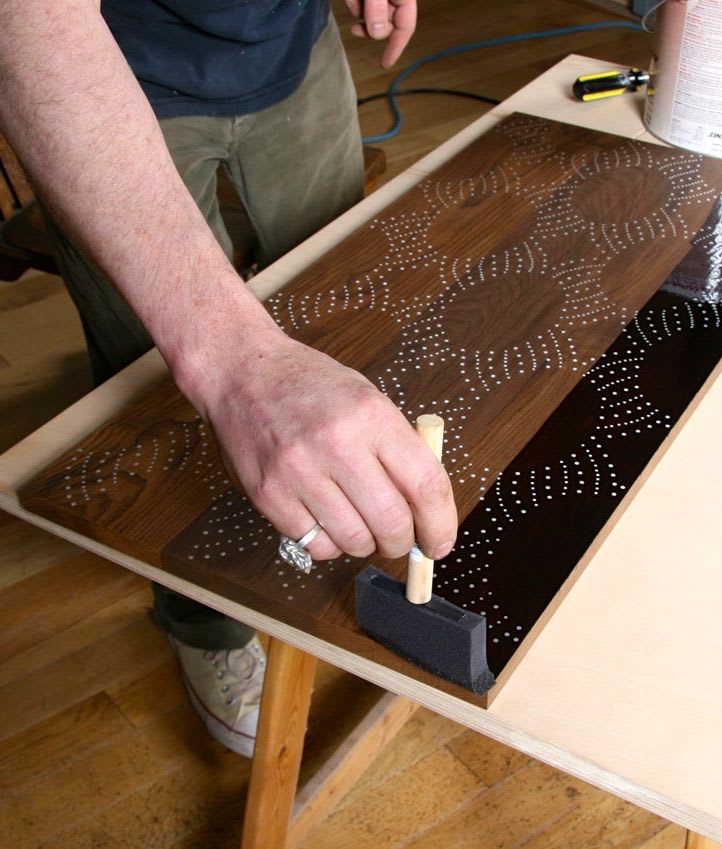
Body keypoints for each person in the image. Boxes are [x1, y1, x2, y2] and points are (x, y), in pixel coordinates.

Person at [0, 0, 457, 757]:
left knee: (344, 321)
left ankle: (337, 530)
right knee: (161, 397)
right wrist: (233, 363)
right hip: (109, 72)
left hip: (293, 48)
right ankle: (204, 625)